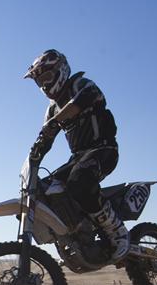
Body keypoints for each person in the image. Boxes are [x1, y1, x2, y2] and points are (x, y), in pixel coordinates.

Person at [24, 49, 126, 262]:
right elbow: (46, 138)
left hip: (103, 149)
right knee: (46, 188)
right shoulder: (52, 110)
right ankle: (75, 235)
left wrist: (55, 122)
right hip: (78, 157)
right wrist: (35, 153)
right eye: (39, 81)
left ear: (60, 70)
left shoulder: (80, 85)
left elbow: (83, 100)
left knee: (79, 181)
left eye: (47, 77)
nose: (44, 85)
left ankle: (118, 232)